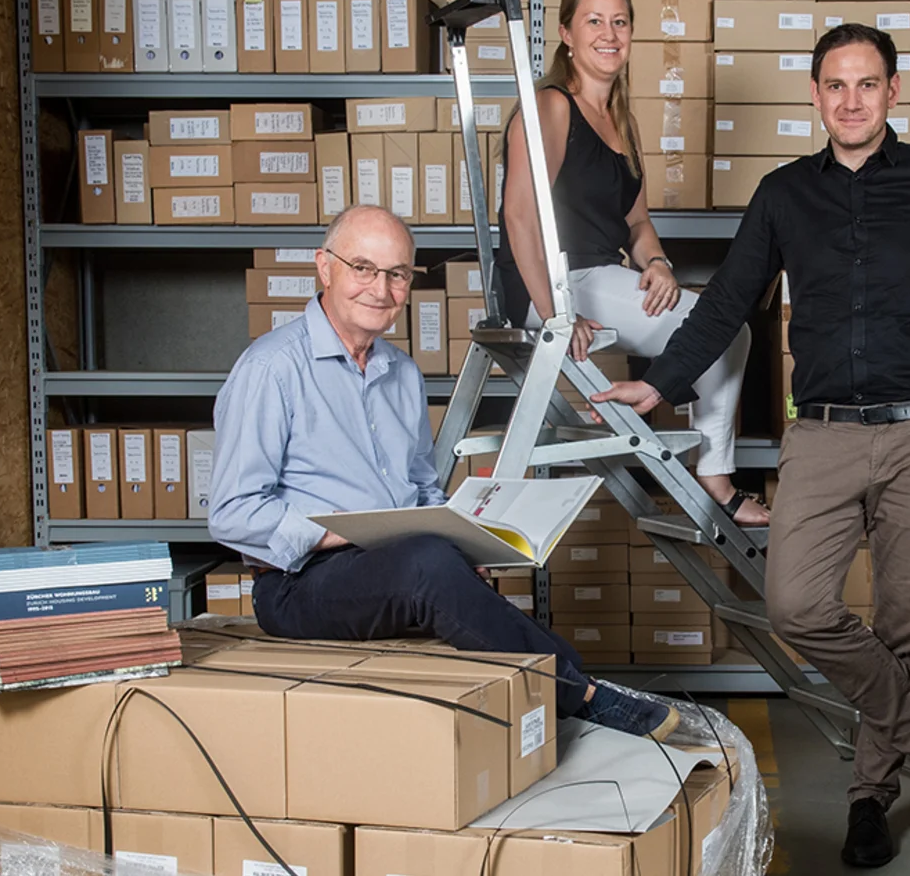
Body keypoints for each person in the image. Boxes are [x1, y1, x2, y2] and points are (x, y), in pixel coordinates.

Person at [591, 24, 910, 867]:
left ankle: (869, 799)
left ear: (893, 91)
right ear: (815, 96)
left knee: (903, 627)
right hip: (820, 434)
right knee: (795, 605)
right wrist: (660, 384)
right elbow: (729, 299)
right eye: (835, 86)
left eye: (867, 84)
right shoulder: (783, 196)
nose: (851, 100)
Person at [208, 204, 679, 741]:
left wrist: (466, 543)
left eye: (398, 274)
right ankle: (585, 695)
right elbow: (230, 514)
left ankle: (574, 682)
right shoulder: (271, 369)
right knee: (426, 563)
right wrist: (342, 530)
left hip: (388, 564)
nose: (380, 290)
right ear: (325, 267)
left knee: (441, 558)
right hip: (297, 586)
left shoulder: (401, 373)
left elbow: (420, 488)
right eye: (363, 268)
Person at [494, 0, 766, 526]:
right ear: (567, 33)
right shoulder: (550, 106)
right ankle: (713, 473)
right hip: (551, 285)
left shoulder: (620, 120)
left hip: (601, 276)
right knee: (722, 330)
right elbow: (519, 216)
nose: (609, 33)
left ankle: (707, 462)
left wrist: (658, 263)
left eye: (620, 21)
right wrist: (555, 315)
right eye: (594, 20)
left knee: (730, 330)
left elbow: (636, 220)